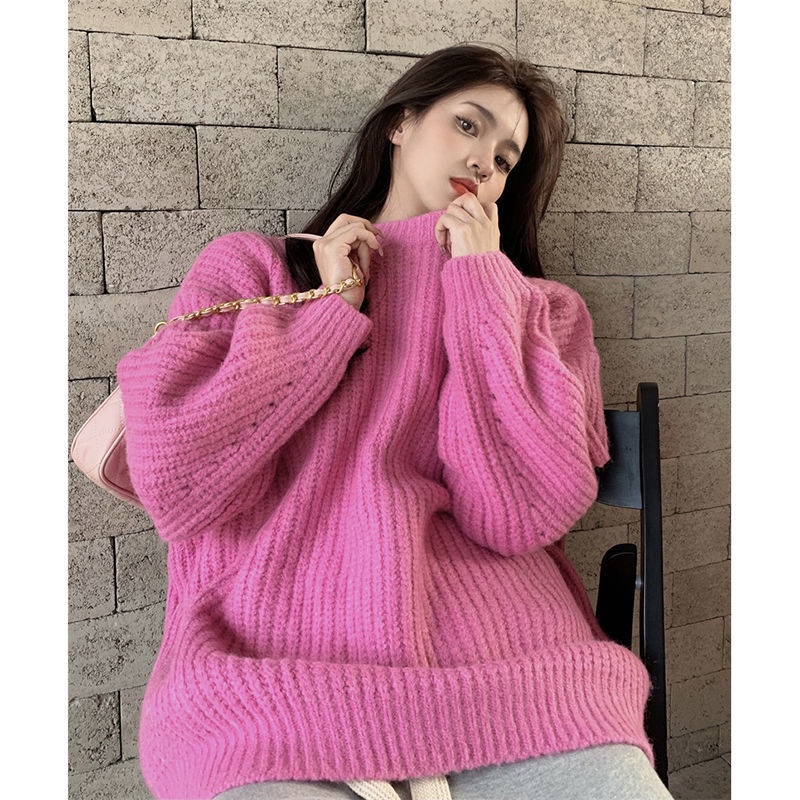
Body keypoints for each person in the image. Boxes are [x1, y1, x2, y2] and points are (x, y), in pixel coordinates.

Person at [116, 44, 674, 800]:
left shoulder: (544, 312)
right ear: (400, 123)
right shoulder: (257, 271)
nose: (482, 162)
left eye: (505, 159)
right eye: (467, 125)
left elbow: (518, 516)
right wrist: (329, 315)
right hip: (274, 672)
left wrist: (482, 286)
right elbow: (180, 483)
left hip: (512, 670)